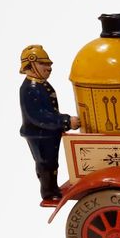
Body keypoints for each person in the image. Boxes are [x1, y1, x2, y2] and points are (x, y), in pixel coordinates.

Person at [19, 45, 80, 202]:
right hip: (40, 134)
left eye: (49, 64)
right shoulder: (31, 88)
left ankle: (52, 189)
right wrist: (66, 121)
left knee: (51, 162)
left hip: (48, 132)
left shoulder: (40, 84)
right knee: (46, 163)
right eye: (43, 64)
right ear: (30, 66)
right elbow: (38, 116)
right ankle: (48, 192)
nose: (48, 68)